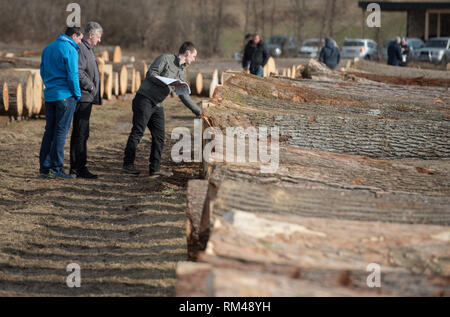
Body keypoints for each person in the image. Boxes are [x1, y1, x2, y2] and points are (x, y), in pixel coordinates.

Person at [122, 42, 201, 177]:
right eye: (193, 56)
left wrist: (199, 111)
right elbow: (151, 74)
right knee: (138, 132)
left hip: (158, 105)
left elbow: (184, 95)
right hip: (144, 99)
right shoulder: (165, 59)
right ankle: (128, 165)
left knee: (159, 136)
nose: (194, 60)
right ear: (187, 53)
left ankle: (155, 169)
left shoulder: (182, 72)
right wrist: (166, 81)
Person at [39, 27, 83, 179]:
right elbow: (73, 75)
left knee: (49, 131)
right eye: (79, 39)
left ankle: (44, 168)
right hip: (65, 95)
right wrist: (77, 94)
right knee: (60, 133)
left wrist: (49, 85)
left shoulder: (48, 48)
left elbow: (42, 71)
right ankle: (56, 168)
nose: (80, 42)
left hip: (50, 95)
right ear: (73, 36)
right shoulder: (70, 50)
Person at [69, 22, 103, 179]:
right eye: (98, 37)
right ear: (91, 35)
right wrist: (90, 86)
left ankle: (78, 167)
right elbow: (79, 70)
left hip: (87, 98)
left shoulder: (89, 49)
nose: (99, 40)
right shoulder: (82, 48)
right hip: (83, 97)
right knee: (80, 133)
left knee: (83, 132)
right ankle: (78, 168)